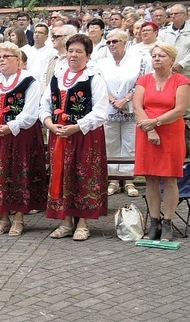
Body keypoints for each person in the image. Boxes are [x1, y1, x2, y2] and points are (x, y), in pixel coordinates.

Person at [42, 34, 109, 241]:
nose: (74, 55)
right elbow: (44, 106)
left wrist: (76, 127)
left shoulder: (93, 78)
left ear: (88, 56)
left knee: (83, 175)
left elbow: (101, 112)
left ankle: (83, 222)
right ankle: (66, 221)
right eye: (71, 51)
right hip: (59, 135)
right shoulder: (57, 78)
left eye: (79, 52)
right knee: (62, 175)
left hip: (84, 136)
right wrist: (50, 124)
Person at [0, 42, 47, 237]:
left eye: (6, 56)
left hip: (19, 136)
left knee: (18, 174)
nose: (1, 60)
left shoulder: (28, 81)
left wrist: (11, 126)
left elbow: (31, 111)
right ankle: (3, 217)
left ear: (18, 60)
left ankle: (18, 218)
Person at [134, 42, 190, 241]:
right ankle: (154, 223)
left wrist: (156, 123)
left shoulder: (182, 81)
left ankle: (167, 223)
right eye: (154, 55)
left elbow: (180, 110)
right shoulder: (144, 80)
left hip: (171, 133)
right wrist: (150, 129)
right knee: (150, 178)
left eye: (162, 56)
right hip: (145, 131)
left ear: (172, 60)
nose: (157, 58)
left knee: (170, 178)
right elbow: (137, 107)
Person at [97, 29, 145, 197]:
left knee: (129, 144)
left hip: (130, 107)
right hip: (109, 108)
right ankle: (114, 180)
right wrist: (113, 100)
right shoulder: (101, 63)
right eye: (108, 42)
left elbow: (141, 81)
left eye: (115, 41)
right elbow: (100, 84)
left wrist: (125, 99)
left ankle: (129, 180)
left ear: (124, 42)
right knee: (110, 144)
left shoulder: (137, 61)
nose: (111, 45)